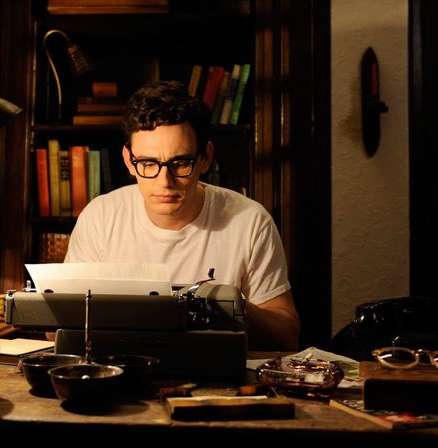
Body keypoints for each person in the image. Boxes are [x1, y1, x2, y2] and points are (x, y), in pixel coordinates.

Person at [64, 80, 300, 351]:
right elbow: (56, 330)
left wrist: (229, 304)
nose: (164, 181)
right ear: (129, 160)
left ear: (205, 157)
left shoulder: (250, 221)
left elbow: (287, 337)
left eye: (180, 163)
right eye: (148, 163)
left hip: (213, 369)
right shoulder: (100, 218)